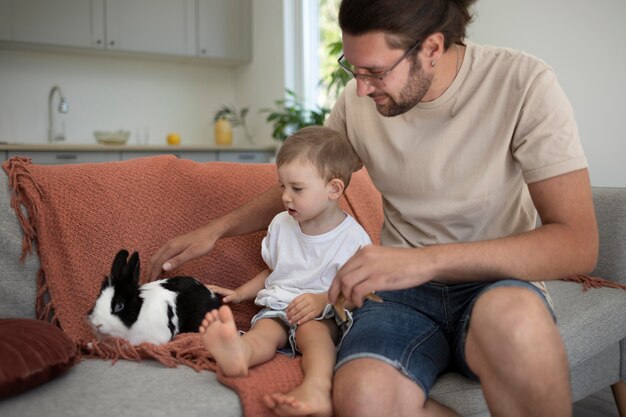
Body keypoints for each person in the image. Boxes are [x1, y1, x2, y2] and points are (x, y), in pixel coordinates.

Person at [149, 1, 599, 416]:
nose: (360, 88)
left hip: (496, 284)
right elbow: (311, 183)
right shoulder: (358, 103)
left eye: (375, 71)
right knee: (362, 398)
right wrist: (218, 228)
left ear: (431, 48)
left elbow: (577, 244)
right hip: (398, 297)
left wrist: (420, 262)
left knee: (518, 328)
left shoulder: (521, 83)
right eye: (351, 67)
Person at [198, 126, 371, 417]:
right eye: (283, 187)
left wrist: (322, 300)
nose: (286, 197)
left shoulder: (353, 238)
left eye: (297, 188)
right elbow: (275, 271)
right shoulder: (281, 224)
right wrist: (240, 293)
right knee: (264, 332)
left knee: (314, 335)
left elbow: (359, 293)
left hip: (323, 313)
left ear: (334, 189)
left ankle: (317, 387)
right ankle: (239, 354)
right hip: (280, 306)